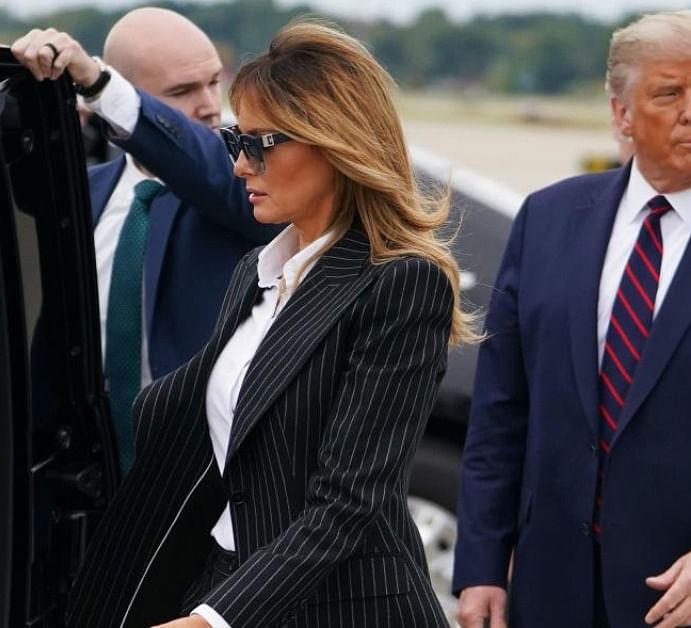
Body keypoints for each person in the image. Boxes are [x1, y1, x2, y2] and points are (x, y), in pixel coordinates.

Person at [54, 20, 472, 628]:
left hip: (339, 609)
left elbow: (349, 505)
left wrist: (209, 622)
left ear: (332, 144)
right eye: (233, 141)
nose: (240, 165)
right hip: (228, 583)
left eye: (258, 144)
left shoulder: (402, 282)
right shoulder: (257, 270)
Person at [454, 10, 691, 628]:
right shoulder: (548, 220)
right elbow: (502, 409)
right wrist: (480, 564)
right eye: (669, 92)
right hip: (559, 590)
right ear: (621, 114)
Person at [11, 9, 280, 472]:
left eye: (214, 82)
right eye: (181, 92)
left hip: (202, 486)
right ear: (136, 99)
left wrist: (97, 82)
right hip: (82, 480)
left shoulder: (248, 189)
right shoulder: (83, 193)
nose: (210, 105)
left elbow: (204, 162)